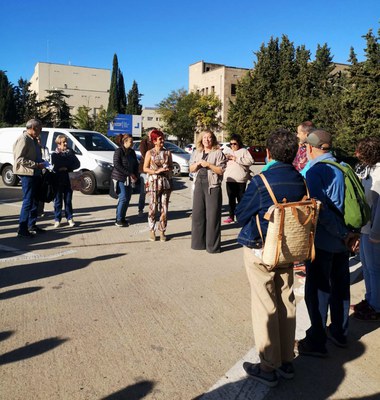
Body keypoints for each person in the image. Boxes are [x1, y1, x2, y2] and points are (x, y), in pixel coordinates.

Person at [235, 128, 306, 387]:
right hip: (288, 249)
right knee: (287, 302)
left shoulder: (261, 181)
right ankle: (287, 359)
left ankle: (268, 365)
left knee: (266, 305)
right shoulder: (300, 180)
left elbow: (241, 215)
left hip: (261, 249)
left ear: (268, 153)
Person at [298, 130, 359, 357]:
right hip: (345, 241)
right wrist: (348, 234)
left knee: (318, 290)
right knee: (341, 288)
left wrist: (340, 233)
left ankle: (317, 340)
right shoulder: (344, 167)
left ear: (310, 148)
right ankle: (340, 332)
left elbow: (319, 209)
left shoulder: (316, 170)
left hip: (325, 240)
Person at [352, 138, 380, 321]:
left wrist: (376, 234)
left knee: (375, 269)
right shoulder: (369, 169)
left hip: (374, 232)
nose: (356, 154)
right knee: (367, 267)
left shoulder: (379, 173)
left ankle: (376, 307)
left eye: (360, 150)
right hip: (365, 229)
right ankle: (370, 300)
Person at [190, 130, 226, 253]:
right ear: (201, 139)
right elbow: (191, 168)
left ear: (213, 139)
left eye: (209, 138)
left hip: (213, 186)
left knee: (212, 217)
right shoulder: (196, 152)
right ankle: (198, 244)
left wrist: (208, 165)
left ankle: (212, 247)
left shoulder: (218, 153)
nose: (207, 140)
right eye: (204, 138)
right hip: (199, 184)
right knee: (197, 215)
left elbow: (221, 170)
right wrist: (197, 164)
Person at [13, 119, 46, 237]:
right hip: (27, 174)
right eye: (39, 129)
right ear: (33, 127)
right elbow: (19, 159)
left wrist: (42, 162)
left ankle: (32, 225)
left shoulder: (33, 140)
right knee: (28, 201)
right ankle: (22, 229)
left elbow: (36, 156)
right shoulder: (23, 139)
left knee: (35, 200)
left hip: (35, 173)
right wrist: (36, 165)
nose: (40, 131)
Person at [143, 130, 173, 242]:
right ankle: (152, 230)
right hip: (153, 183)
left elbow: (171, 166)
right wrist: (155, 171)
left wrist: (167, 169)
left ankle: (162, 231)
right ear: (154, 141)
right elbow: (145, 168)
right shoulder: (149, 153)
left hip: (165, 183)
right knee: (152, 207)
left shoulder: (167, 153)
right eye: (160, 139)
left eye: (163, 139)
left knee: (164, 208)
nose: (163, 141)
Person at [51, 135, 80, 228]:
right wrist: (66, 164)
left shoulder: (70, 152)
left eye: (66, 141)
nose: (66, 143)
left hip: (69, 178)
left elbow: (77, 164)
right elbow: (56, 166)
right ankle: (57, 219)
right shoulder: (54, 154)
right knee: (58, 200)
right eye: (64, 142)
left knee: (68, 200)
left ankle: (70, 218)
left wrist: (67, 166)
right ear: (59, 143)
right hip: (58, 179)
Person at [223, 134, 253, 223]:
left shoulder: (244, 151)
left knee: (241, 199)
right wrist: (225, 158)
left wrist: (236, 158)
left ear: (239, 143)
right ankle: (231, 216)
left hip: (240, 180)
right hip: (230, 179)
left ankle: (241, 216)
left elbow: (250, 161)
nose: (232, 146)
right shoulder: (227, 151)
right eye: (231, 144)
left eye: (234, 144)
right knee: (231, 199)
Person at [111, 134, 139, 227]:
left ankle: (123, 218)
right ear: (125, 142)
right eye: (130, 141)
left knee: (127, 199)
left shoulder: (132, 152)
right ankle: (118, 219)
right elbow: (117, 164)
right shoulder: (119, 151)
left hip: (129, 179)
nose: (132, 143)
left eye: (132, 141)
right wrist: (129, 173)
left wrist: (135, 175)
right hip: (120, 178)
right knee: (123, 198)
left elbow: (135, 164)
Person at [138, 129, 155, 215]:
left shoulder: (156, 142)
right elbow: (143, 154)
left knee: (153, 191)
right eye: (152, 133)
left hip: (154, 171)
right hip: (145, 170)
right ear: (149, 134)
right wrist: (152, 161)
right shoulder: (144, 142)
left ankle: (153, 209)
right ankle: (140, 209)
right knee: (143, 191)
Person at [36, 135, 51, 217]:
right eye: (37, 139)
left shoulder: (45, 148)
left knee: (42, 191)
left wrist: (44, 163)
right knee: (36, 192)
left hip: (44, 171)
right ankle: (35, 210)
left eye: (39, 140)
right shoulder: (34, 149)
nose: (38, 141)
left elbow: (47, 159)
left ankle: (40, 210)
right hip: (36, 171)